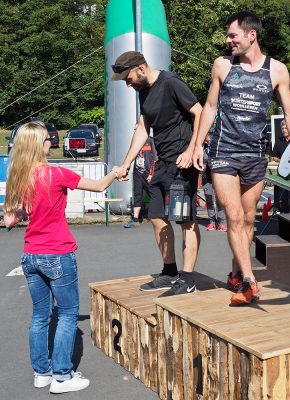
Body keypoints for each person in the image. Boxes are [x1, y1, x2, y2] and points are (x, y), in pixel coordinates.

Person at [192, 11, 290, 305]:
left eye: (233, 36)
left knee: (249, 218)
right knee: (233, 217)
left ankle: (235, 272)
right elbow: (210, 107)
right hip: (223, 151)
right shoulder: (222, 66)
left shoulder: (277, 70)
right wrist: (195, 147)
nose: (228, 41)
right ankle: (250, 281)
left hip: (255, 154)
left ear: (251, 36)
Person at [3, 122, 120, 393]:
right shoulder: (55, 174)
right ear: (38, 144)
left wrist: (24, 212)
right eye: (47, 139)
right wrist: (114, 172)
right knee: (67, 313)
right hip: (56, 252)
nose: (51, 143)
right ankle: (62, 377)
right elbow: (100, 185)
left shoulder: (20, 177)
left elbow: (11, 219)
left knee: (40, 316)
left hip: (31, 254)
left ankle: (42, 373)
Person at [111, 51, 203, 297]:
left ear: (141, 68)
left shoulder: (171, 82)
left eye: (127, 78)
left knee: (185, 219)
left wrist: (193, 148)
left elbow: (200, 112)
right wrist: (127, 162)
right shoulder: (144, 91)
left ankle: (188, 278)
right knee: (155, 216)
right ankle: (170, 272)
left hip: (183, 161)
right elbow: (144, 127)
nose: (127, 83)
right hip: (162, 162)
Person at [124, 134, 157, 228]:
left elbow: (154, 159)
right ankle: (135, 219)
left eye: (136, 129)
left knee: (153, 194)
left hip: (147, 173)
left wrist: (151, 174)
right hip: (137, 173)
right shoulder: (135, 141)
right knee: (137, 195)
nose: (135, 131)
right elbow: (130, 156)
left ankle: (160, 216)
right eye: (134, 130)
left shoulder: (150, 140)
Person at [201, 135, 227, 231]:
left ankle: (221, 222)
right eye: (206, 139)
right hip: (206, 177)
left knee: (219, 200)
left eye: (208, 138)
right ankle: (212, 221)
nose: (207, 140)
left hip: (218, 177)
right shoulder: (201, 148)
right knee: (209, 199)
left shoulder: (219, 147)